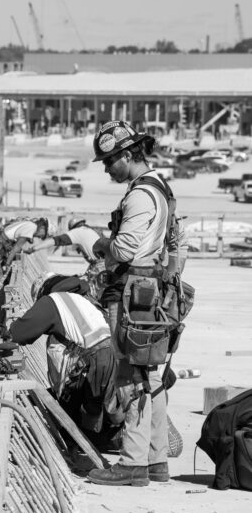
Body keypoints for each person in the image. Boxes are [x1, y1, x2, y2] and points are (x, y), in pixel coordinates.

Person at [86, 120, 183, 486]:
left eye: (110, 161)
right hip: (151, 288)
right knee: (148, 372)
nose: (108, 169)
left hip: (130, 290)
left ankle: (132, 463)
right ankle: (156, 460)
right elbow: (178, 246)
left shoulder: (140, 194)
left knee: (129, 374)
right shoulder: (163, 190)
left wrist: (100, 246)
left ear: (127, 154)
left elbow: (125, 247)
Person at [7, 272, 118, 440]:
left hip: (98, 362)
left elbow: (18, 334)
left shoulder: (52, 300)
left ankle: (101, 438)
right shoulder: (86, 300)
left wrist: (7, 330)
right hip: (115, 357)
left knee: (77, 418)